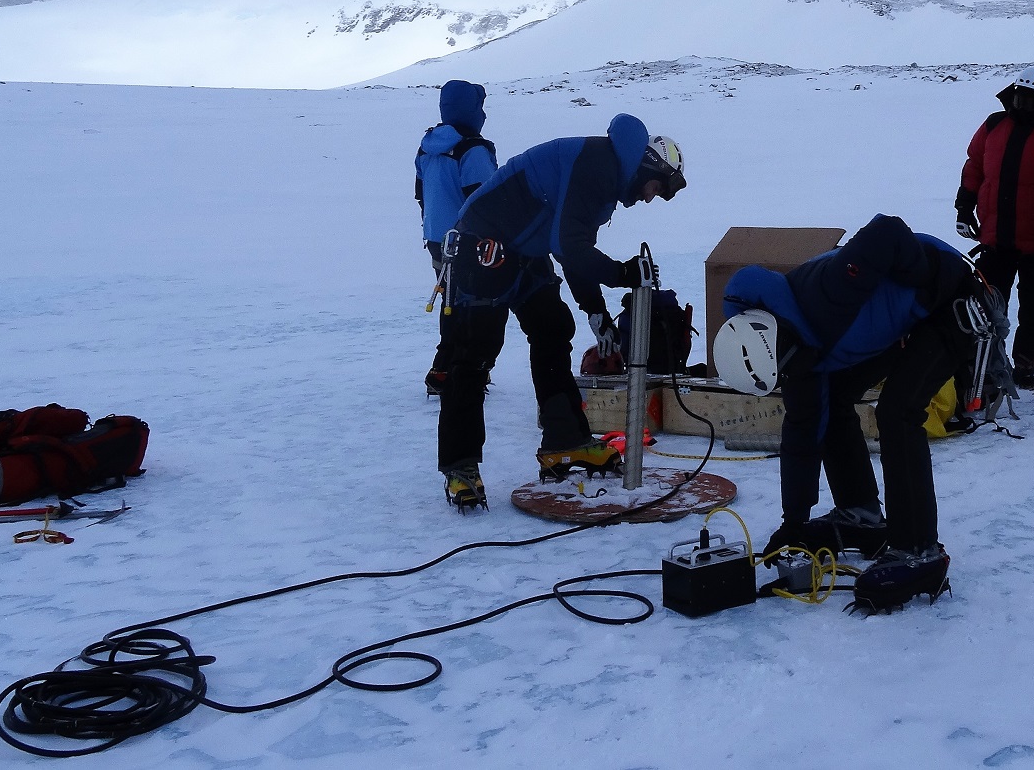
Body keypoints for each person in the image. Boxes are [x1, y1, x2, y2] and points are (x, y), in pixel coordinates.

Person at [721, 214, 981, 613]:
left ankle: (919, 551)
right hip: (900, 319)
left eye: (789, 363)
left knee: (898, 411)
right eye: (784, 372)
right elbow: (802, 433)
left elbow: (888, 231)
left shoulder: (826, 292)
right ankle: (861, 514)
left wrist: (925, 278)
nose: (793, 372)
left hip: (952, 297)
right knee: (833, 397)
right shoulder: (793, 358)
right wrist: (794, 522)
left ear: (775, 335)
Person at [435, 113, 686, 512]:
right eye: (656, 187)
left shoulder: (607, 171)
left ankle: (563, 441)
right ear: (646, 168)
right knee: (475, 354)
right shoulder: (598, 167)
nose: (649, 196)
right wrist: (622, 273)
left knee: (553, 328)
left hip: (525, 252)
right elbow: (571, 247)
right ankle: (460, 466)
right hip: (483, 243)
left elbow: (571, 244)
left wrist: (596, 310)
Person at [954, 64, 1034, 388]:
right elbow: (975, 167)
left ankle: (1025, 363)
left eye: (1031, 100)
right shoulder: (995, 125)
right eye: (1019, 98)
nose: (1023, 106)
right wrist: (964, 207)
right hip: (996, 238)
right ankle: (988, 362)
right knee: (987, 304)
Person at [417, 80, 499, 399]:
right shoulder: (473, 150)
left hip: (438, 239)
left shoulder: (428, 146)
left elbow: (421, 193)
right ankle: (456, 370)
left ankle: (447, 369)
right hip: (469, 241)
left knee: (451, 302)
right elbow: (484, 202)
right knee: (472, 304)